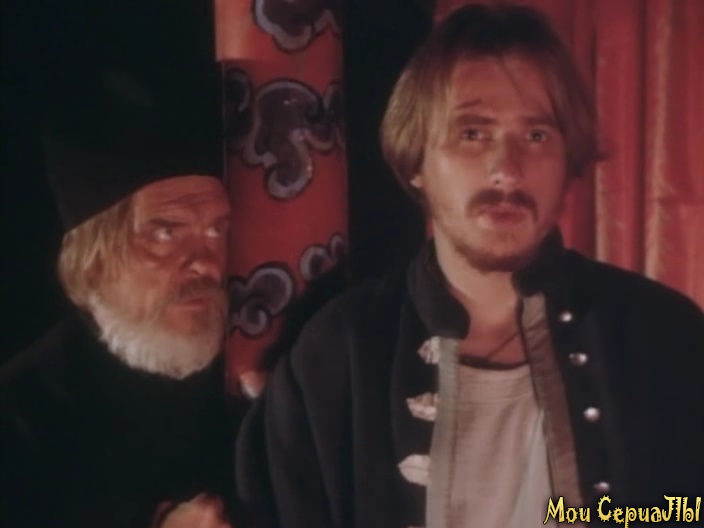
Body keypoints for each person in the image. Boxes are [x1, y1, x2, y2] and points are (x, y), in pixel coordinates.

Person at [236, 3, 704, 528]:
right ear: (417, 162)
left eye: (536, 135)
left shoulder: (663, 338)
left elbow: (685, 512)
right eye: (472, 133)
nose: (506, 170)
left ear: (567, 161)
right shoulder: (339, 352)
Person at [0, 61, 238, 528]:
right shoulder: (17, 422)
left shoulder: (252, 377)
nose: (205, 263)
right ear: (93, 258)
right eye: (167, 233)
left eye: (217, 230)